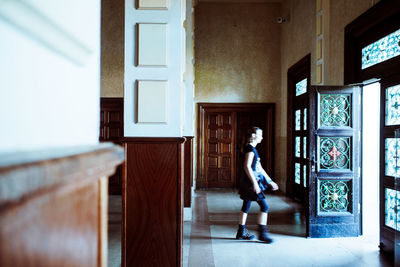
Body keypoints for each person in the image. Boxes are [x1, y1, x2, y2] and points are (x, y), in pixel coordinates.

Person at [236, 126, 279, 243]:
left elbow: (259, 168)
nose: (262, 137)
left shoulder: (251, 148)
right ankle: (262, 234)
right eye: (260, 135)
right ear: (254, 136)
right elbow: (247, 167)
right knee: (264, 207)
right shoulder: (250, 149)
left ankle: (241, 231)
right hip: (250, 184)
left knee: (246, 206)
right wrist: (255, 184)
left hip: (247, 183)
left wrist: (270, 181)